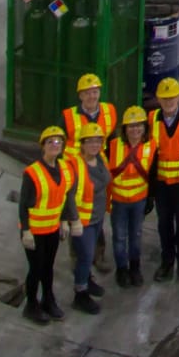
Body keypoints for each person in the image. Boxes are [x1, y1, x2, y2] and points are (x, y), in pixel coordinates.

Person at [18, 125, 78, 324]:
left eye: (59, 142)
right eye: (51, 142)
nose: (55, 145)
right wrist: (26, 231)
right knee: (35, 268)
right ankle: (31, 305)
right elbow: (23, 205)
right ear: (43, 146)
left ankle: (48, 300)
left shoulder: (65, 170)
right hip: (34, 230)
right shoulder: (32, 172)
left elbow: (61, 198)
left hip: (52, 228)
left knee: (48, 267)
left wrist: (64, 222)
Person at [149, 77, 179, 282]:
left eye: (172, 97)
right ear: (158, 99)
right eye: (165, 98)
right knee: (164, 224)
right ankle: (167, 261)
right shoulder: (151, 119)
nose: (169, 102)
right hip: (161, 185)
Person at [106, 105, 155, 288]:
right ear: (125, 129)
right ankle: (122, 270)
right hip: (118, 201)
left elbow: (153, 172)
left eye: (139, 126)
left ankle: (135, 268)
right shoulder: (113, 146)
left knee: (135, 235)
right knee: (119, 237)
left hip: (139, 200)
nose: (135, 130)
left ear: (144, 127)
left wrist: (150, 198)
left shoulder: (151, 146)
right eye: (131, 126)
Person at [66, 123, 111, 312]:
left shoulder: (100, 159)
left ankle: (87, 280)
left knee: (90, 255)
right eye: (90, 141)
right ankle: (80, 294)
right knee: (84, 256)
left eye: (98, 141)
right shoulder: (75, 165)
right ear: (82, 144)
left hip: (97, 217)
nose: (94, 144)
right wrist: (73, 220)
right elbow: (69, 194)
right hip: (82, 221)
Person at [62, 72, 117, 155]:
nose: (91, 96)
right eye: (87, 93)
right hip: (74, 163)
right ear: (80, 96)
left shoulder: (110, 110)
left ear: (99, 93)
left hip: (99, 163)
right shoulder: (68, 116)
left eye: (95, 92)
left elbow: (112, 141)